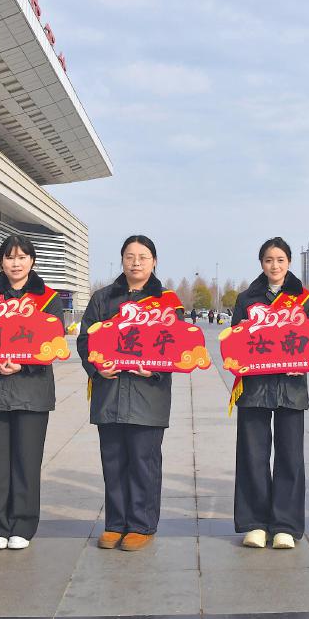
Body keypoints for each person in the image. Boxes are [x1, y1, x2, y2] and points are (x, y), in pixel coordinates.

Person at [77, 235, 176, 552]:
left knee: (144, 462)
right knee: (114, 461)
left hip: (149, 395)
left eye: (143, 257)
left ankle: (141, 525)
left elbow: (176, 344)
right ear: (122, 260)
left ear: (154, 262)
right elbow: (85, 340)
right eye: (130, 256)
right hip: (110, 393)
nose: (136, 262)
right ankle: (115, 524)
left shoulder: (167, 302)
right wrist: (96, 368)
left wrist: (155, 368)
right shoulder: (103, 298)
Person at [0, 234, 60, 551]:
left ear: (32, 261)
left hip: (32, 392)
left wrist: (23, 364)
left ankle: (22, 525)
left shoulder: (47, 299)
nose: (16, 263)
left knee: (26, 461)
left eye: (22, 257)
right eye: (10, 257)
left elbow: (53, 342)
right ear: (1, 261)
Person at [230, 237, 309, 550]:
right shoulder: (246, 298)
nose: (275, 265)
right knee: (253, 455)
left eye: (280, 260)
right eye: (269, 260)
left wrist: (305, 363)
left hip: (290, 388)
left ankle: (285, 525)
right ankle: (255, 523)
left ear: (289, 263)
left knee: (290, 456)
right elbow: (234, 343)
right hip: (254, 388)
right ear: (261, 263)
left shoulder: (305, 299)